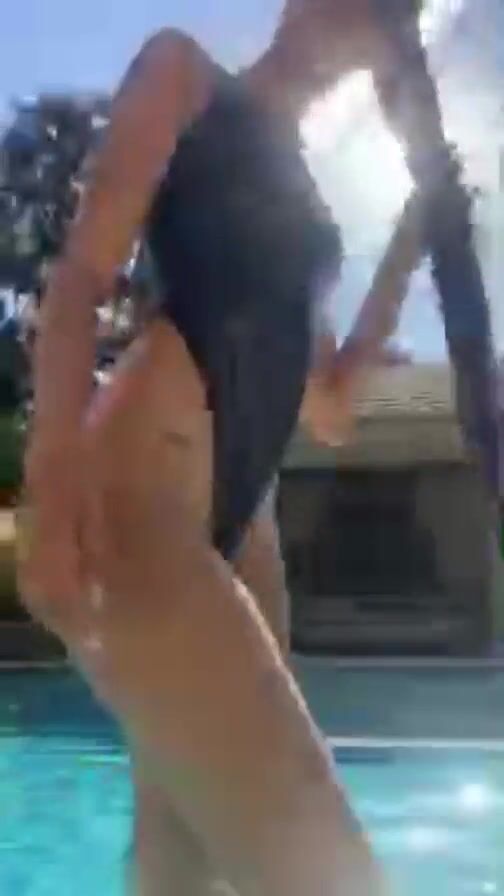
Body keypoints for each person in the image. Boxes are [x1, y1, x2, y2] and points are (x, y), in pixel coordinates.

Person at [19, 2, 424, 894]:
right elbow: (81, 277)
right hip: (141, 486)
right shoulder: (186, 76)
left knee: (180, 872)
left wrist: (405, 250)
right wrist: (52, 480)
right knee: (321, 866)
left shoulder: (309, 212)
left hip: (247, 543)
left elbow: (328, 407)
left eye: (394, 18)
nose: (370, 20)